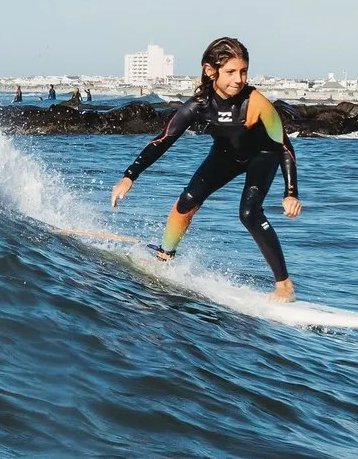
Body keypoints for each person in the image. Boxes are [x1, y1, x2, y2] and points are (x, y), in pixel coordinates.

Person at [110, 36, 302, 301]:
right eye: (231, 72)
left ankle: (284, 285)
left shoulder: (256, 102)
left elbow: (283, 145)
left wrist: (290, 193)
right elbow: (163, 140)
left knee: (249, 213)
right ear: (210, 70)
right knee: (186, 202)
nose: (239, 79)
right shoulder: (199, 105)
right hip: (226, 155)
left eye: (243, 71)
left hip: (263, 155)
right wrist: (129, 176)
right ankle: (164, 257)